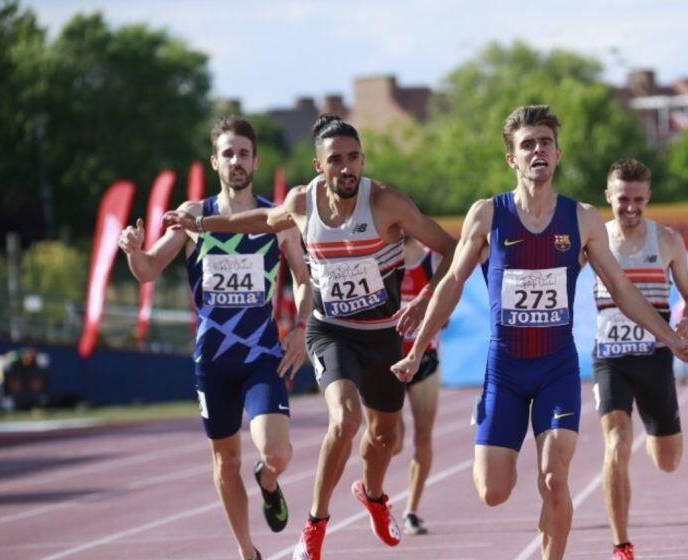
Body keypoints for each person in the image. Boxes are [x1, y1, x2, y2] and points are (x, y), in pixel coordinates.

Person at [390, 106, 688, 560]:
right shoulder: (487, 216)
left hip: (556, 369)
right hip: (505, 369)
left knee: (555, 480)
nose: (538, 150)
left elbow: (622, 289)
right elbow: (453, 283)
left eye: (545, 143)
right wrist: (417, 349)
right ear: (511, 159)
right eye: (527, 144)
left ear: (557, 155)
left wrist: (671, 338)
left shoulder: (582, 219)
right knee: (493, 490)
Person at [164, 114, 456, 559]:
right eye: (335, 160)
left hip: (382, 333)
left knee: (385, 439)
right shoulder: (303, 203)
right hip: (331, 331)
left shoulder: (386, 203)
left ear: (362, 160)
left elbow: (451, 247)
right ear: (319, 165)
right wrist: (205, 226)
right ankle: (315, 526)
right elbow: (262, 219)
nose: (346, 168)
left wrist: (424, 299)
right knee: (345, 419)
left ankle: (373, 495)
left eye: (353, 158)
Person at [121, 116, 312, 560]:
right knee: (226, 462)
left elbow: (303, 279)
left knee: (277, 451)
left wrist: (301, 329)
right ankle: (248, 552)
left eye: (244, 153)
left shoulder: (276, 219)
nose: (236, 161)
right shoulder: (193, 216)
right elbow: (149, 270)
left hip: (263, 353)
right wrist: (133, 252)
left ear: (256, 160)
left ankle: (269, 479)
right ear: (215, 162)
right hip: (213, 360)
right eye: (228, 153)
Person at [589, 158, 688, 560]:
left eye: (638, 200)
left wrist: (686, 323)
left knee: (667, 461)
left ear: (648, 197)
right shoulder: (594, 240)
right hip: (610, 359)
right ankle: (621, 544)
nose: (631, 208)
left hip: (654, 360)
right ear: (608, 197)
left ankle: (660, 437)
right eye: (622, 200)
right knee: (616, 444)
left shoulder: (668, 241)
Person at [382, 236, 444, 535]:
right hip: (388, 362)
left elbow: (449, 295)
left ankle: (411, 511)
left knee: (423, 436)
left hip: (424, 359)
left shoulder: (431, 259)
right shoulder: (381, 256)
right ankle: (375, 497)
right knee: (391, 442)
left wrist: (436, 315)